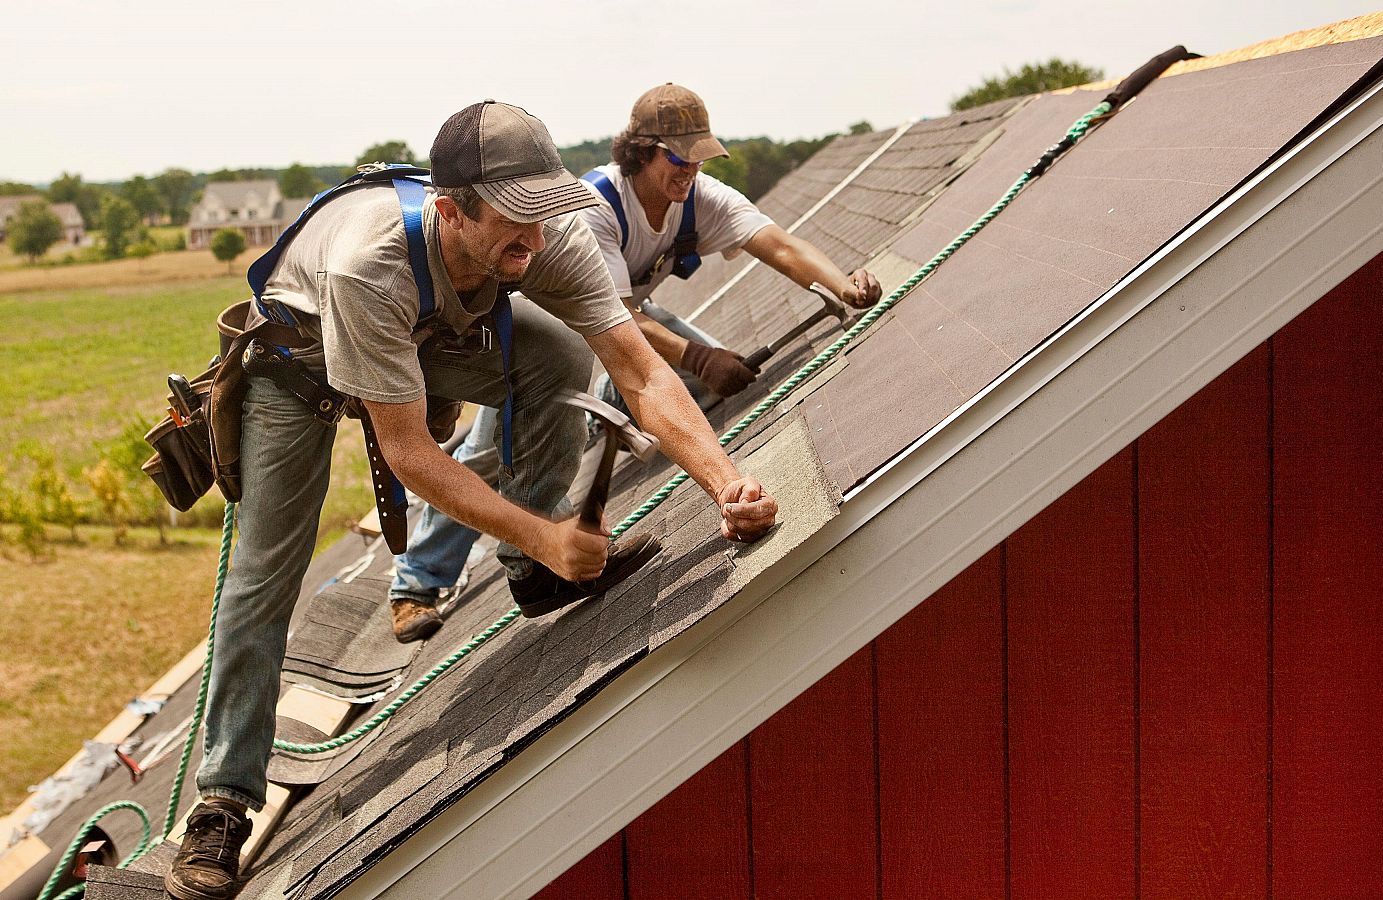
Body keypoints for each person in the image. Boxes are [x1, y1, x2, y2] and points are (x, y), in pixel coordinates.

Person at [166, 100, 778, 900]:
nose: (534, 242)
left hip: (417, 332)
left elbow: (640, 369)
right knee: (263, 575)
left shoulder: (537, 237)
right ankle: (223, 801)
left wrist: (724, 483)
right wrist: (555, 530)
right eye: (514, 225)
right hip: (299, 361)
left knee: (558, 353)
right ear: (450, 212)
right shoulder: (370, 263)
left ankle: (532, 571)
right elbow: (410, 452)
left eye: (542, 218)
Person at [387, 84, 879, 632]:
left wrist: (843, 287)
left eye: (700, 156)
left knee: (698, 387)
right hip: (547, 338)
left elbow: (780, 246)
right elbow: (625, 323)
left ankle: (597, 413)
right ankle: (417, 583)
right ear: (641, 152)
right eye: (679, 155)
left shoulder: (700, 200)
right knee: (488, 451)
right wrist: (697, 354)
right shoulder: (595, 207)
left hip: (622, 328)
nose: (691, 167)